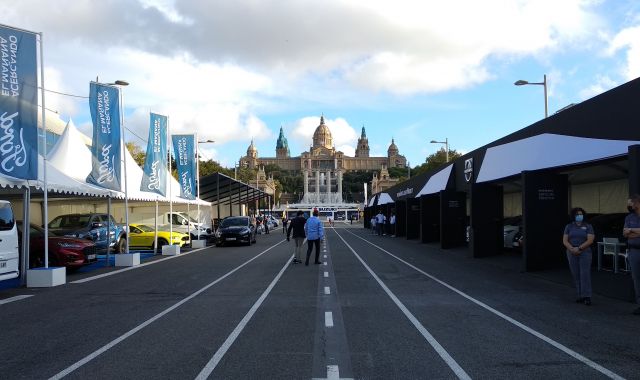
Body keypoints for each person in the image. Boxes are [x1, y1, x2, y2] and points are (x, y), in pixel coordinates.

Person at [562, 207, 595, 306]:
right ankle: (580, 295)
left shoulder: (588, 226)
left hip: (584, 252)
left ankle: (587, 296)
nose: (579, 216)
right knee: (576, 274)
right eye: (577, 214)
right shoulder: (569, 226)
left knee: (584, 274)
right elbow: (565, 240)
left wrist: (579, 248)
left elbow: (590, 240)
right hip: (571, 252)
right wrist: (572, 249)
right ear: (573, 216)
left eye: (581, 214)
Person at [623, 194, 640, 315]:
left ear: (637, 203)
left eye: (631, 203)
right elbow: (625, 234)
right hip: (634, 251)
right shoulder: (629, 217)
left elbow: (629, 232)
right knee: (637, 279)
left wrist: (632, 230)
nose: (629, 205)